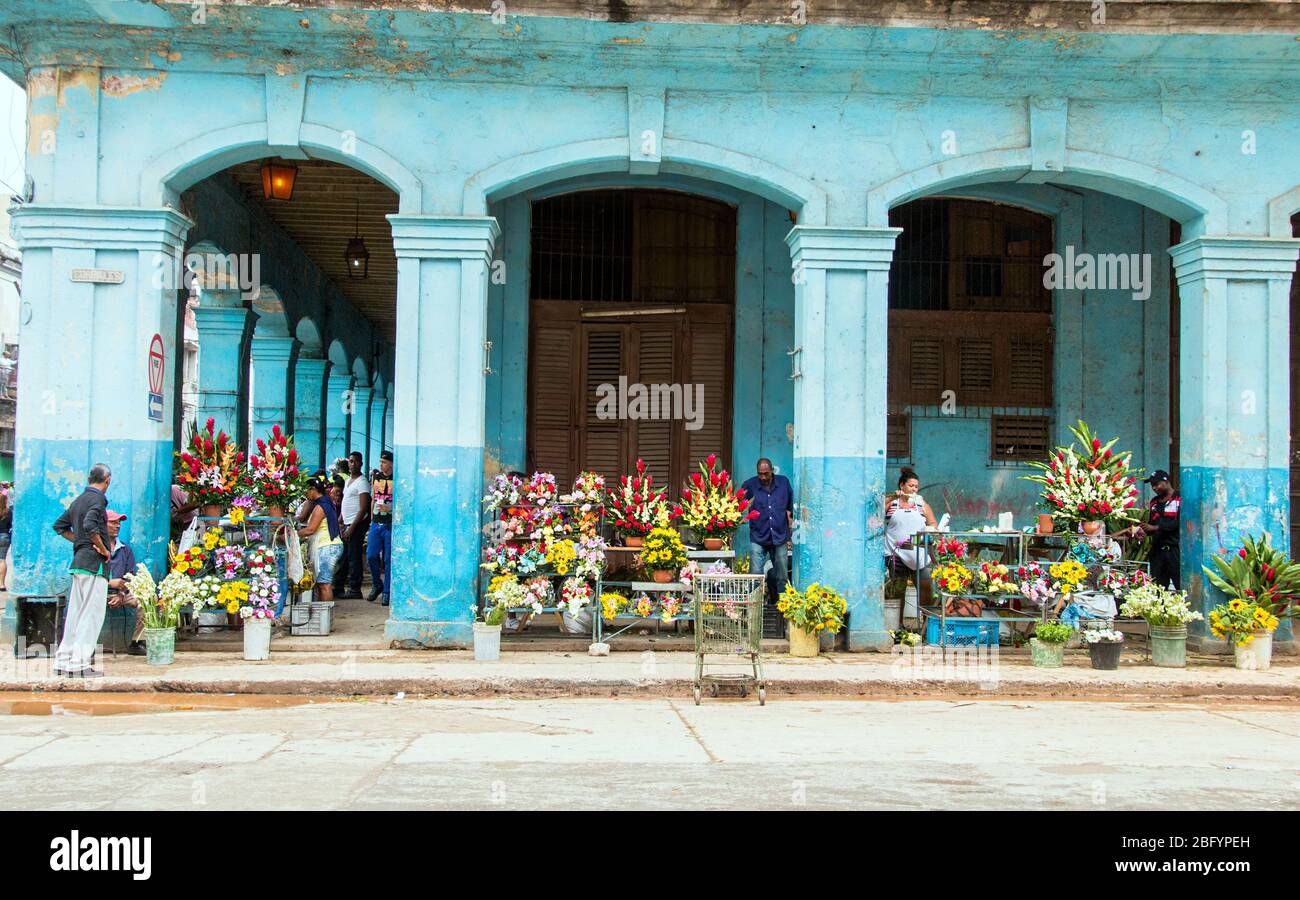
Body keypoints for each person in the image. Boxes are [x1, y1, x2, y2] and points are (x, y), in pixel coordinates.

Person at [51, 463, 113, 678]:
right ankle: (79, 664)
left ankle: (64, 659)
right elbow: (89, 525)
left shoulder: (78, 500)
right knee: (92, 613)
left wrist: (81, 543)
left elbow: (59, 526)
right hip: (94, 566)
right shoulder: (97, 500)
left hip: (79, 563)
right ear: (107, 480)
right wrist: (102, 549)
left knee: (76, 613)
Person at [741, 458, 793, 604]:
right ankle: (754, 607)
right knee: (755, 574)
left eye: (766, 474)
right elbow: (735, 505)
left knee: (782, 574)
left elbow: (790, 507)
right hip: (759, 536)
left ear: (772, 471)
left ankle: (783, 607)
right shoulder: (750, 485)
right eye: (760, 474)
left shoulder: (783, 483)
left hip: (779, 535)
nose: (763, 477)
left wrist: (790, 525)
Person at [1128, 469, 1180, 589]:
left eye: (1156, 484)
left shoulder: (1179, 498)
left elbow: (1179, 523)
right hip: (1157, 551)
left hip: (1174, 550)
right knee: (1158, 587)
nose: (1154, 488)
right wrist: (1143, 530)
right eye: (1152, 485)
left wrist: (1156, 527)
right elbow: (1152, 525)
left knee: (1180, 585)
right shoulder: (1154, 502)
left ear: (1166, 482)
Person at [104, 510, 146, 656]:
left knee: (147, 600)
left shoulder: (125, 550)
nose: (118, 526)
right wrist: (109, 583)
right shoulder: (95, 548)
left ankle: (137, 642)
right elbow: (89, 576)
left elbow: (130, 576)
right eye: (113, 522)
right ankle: (86, 646)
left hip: (121, 594)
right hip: (98, 592)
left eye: (119, 523)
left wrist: (121, 594)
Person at [297, 476, 343, 602]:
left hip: (327, 547)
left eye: (307, 490)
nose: (306, 494)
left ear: (313, 490)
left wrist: (294, 534)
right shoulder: (325, 503)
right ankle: (322, 615)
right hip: (328, 546)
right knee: (321, 583)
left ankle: (325, 618)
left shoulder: (320, 507)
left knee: (324, 584)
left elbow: (310, 529)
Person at [884, 467, 937, 571]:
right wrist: (893, 497)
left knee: (925, 586)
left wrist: (929, 531)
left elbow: (933, 523)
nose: (914, 489)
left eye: (916, 487)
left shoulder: (922, 505)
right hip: (895, 554)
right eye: (911, 486)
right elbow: (875, 513)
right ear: (902, 485)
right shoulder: (891, 503)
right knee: (898, 586)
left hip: (919, 556)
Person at [334, 450, 371, 599]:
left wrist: (352, 527)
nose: (353, 464)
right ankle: (339, 587)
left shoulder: (362, 482)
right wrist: (341, 518)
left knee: (354, 558)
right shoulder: (349, 480)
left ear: (361, 463)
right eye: (350, 461)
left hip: (356, 524)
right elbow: (346, 501)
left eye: (356, 461)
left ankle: (355, 589)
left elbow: (363, 508)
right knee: (344, 557)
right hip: (347, 523)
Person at [366, 450, 393, 606]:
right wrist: (371, 520)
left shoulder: (397, 478)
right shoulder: (376, 478)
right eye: (380, 462)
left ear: (391, 463)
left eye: (384, 462)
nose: (381, 465)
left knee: (388, 559)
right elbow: (374, 498)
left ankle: (387, 592)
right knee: (371, 555)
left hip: (389, 523)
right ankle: (377, 583)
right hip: (376, 522)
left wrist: (391, 508)